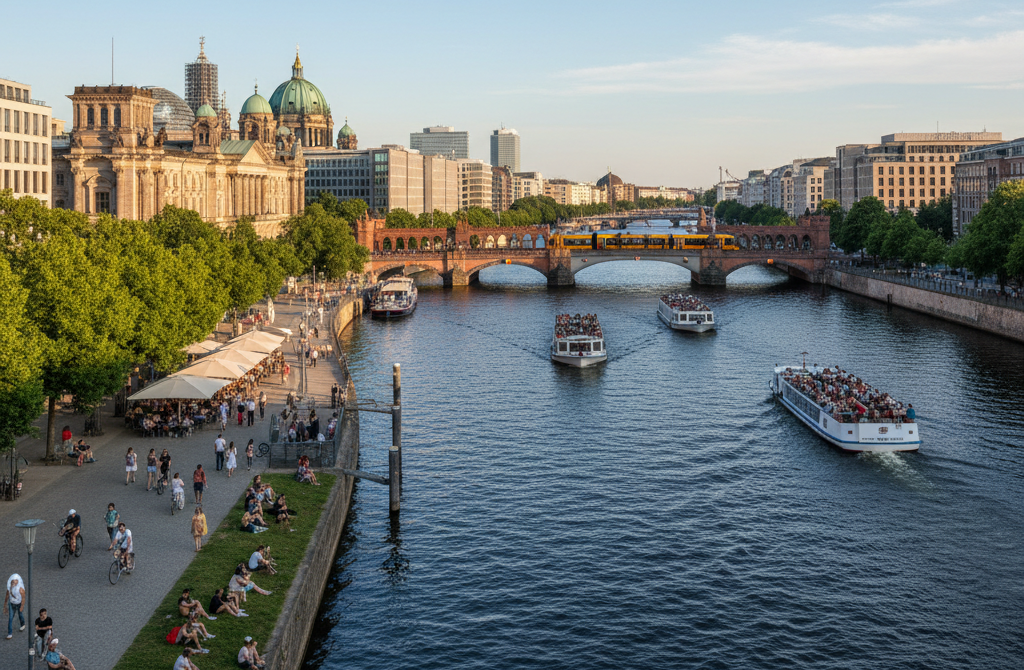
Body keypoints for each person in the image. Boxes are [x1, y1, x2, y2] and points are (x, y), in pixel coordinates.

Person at [4, 573, 25, 639]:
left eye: (15, 580)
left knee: (20, 615)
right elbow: (7, 595)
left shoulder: (21, 589)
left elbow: (23, 598)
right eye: (12, 581)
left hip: (18, 604)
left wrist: (22, 606)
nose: (14, 582)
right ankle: (9, 633)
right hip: (11, 604)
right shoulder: (9, 588)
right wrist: (5, 605)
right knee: (10, 618)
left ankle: (23, 624)